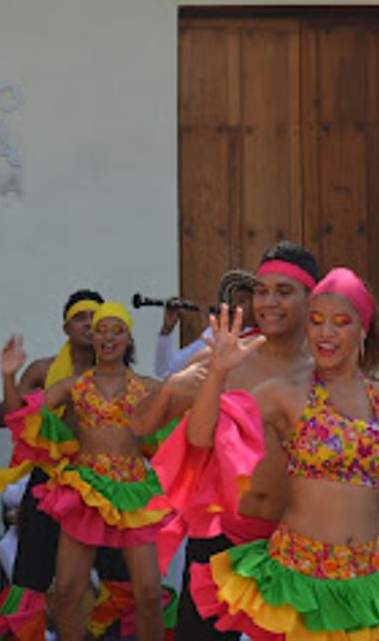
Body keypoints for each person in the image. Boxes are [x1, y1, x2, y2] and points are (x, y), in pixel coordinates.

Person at [134, 242, 320, 641]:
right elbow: (141, 426)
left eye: (283, 292)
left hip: (294, 547)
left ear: (312, 298)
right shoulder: (222, 357)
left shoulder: (326, 370)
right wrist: (170, 389)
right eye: (261, 291)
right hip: (220, 539)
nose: (268, 302)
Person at [187, 267, 378, 638]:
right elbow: (201, 436)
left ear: (362, 330)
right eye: (317, 321)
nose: (325, 333)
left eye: (341, 322)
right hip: (298, 582)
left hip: (365, 584)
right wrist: (217, 373)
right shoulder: (286, 393)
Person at [1, 302, 171, 641]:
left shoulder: (150, 386)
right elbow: (21, 416)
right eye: (101, 330)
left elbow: (190, 418)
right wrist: (8, 375)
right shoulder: (73, 386)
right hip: (86, 489)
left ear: (127, 337)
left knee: (149, 594)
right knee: (66, 590)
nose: (108, 337)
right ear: (92, 338)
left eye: (116, 330)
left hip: (132, 489)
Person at [0, 290, 103, 640]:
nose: (88, 324)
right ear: (66, 327)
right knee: (32, 571)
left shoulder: (116, 373)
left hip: (101, 483)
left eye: (95, 317)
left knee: (113, 572)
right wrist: (9, 380)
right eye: (80, 317)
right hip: (50, 479)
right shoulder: (44, 370)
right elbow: (7, 417)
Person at [154, 269, 257, 379]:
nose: (234, 306)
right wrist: (166, 330)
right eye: (232, 302)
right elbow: (165, 370)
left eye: (242, 301)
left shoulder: (261, 338)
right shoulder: (215, 333)